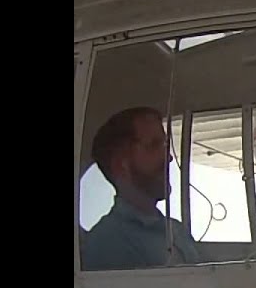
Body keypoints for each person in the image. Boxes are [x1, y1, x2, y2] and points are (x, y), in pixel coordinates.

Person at [81, 106, 205, 271]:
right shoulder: (108, 242)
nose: (168, 157)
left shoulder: (177, 229)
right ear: (120, 165)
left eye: (165, 144)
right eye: (154, 145)